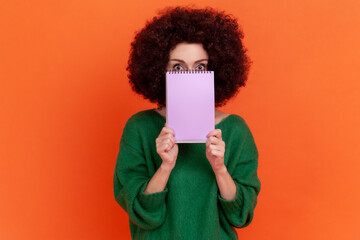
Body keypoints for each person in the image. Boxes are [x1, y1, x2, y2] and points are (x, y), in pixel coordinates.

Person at [113, 6, 261, 240]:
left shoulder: (235, 131)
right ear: (161, 71)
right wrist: (165, 166)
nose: (190, 76)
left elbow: (240, 215)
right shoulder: (139, 129)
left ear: (215, 71)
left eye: (200, 66)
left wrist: (220, 168)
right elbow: (142, 212)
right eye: (178, 67)